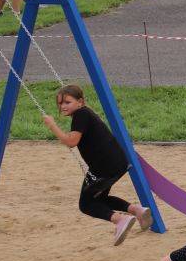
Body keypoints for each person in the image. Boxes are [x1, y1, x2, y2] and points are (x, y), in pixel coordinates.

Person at [42, 84, 153, 243]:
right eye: (60, 103)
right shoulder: (86, 113)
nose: (63, 106)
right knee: (99, 198)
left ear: (80, 102)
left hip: (104, 167)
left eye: (67, 102)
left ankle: (119, 220)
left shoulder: (81, 115)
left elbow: (71, 141)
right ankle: (138, 211)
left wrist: (52, 125)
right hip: (118, 162)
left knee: (86, 204)